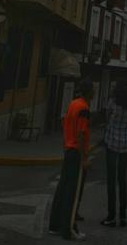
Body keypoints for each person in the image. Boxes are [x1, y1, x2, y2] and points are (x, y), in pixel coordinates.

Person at [49, 78, 93, 241]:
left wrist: (65, 145)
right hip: (76, 152)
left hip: (68, 149)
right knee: (72, 193)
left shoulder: (73, 104)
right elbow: (81, 133)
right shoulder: (84, 109)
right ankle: (68, 229)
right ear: (90, 93)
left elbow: (65, 124)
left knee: (62, 189)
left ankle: (54, 225)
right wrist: (84, 158)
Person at [101, 80, 127, 228]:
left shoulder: (112, 102)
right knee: (122, 179)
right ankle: (123, 216)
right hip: (126, 143)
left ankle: (111, 216)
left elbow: (106, 118)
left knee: (111, 180)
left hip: (111, 143)